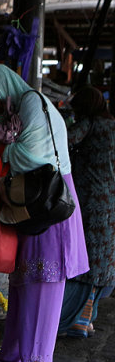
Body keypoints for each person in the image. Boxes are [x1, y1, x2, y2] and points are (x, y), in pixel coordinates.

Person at [0, 63, 88, 362]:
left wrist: (3, 146)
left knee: (42, 291)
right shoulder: (15, 110)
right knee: (22, 286)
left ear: (0, 85)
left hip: (50, 206)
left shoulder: (32, 104)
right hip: (32, 208)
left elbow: (34, 155)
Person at [57, 86, 115, 338]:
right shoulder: (112, 124)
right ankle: (88, 317)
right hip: (109, 199)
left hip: (91, 199)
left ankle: (78, 319)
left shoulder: (90, 124)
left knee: (85, 256)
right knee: (101, 258)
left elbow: (63, 141)